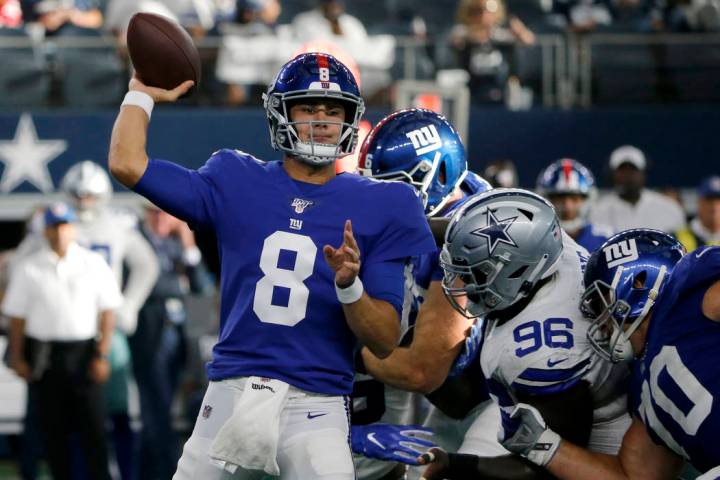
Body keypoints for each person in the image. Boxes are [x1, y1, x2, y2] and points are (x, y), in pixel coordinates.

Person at [108, 52, 437, 479]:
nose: (321, 120)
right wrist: (140, 94)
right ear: (281, 113)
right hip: (232, 393)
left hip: (316, 407)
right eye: (308, 108)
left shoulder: (383, 204)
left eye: (333, 111)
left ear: (350, 120)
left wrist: (350, 286)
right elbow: (127, 164)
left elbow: (384, 340)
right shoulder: (235, 177)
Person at [419, 189, 631, 479]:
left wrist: (455, 464)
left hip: (601, 444)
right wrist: (403, 226)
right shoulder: (547, 245)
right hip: (552, 409)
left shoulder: (544, 351)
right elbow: (479, 235)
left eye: (477, 272)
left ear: (515, 272)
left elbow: (546, 468)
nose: (464, 281)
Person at [499, 229, 720, 478]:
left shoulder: (692, 287)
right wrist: (542, 445)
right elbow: (632, 475)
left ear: (638, 282)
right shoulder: (643, 391)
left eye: (603, 303)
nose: (603, 322)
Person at [350, 108, 492, 480]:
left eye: (394, 186)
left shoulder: (475, 235)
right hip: (456, 402)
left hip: (506, 404)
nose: (382, 202)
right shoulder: (437, 216)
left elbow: (421, 370)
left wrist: (350, 350)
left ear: (441, 174)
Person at [2, 202, 123, 480]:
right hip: (47, 356)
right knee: (53, 434)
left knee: (94, 431)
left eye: (65, 225)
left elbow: (108, 310)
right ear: (45, 231)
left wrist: (102, 355)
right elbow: (17, 318)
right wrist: (18, 357)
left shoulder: (92, 263)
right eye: (54, 226)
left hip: (84, 353)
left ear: (73, 228)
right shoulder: (29, 267)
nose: (60, 232)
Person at [60, 160, 160, 480]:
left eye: (90, 195)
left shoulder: (117, 224)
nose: (85, 201)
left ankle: (125, 473)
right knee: (73, 412)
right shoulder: (55, 222)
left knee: (118, 409)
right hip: (66, 328)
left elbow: (147, 265)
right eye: (80, 195)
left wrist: (128, 304)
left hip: (108, 328)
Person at [131, 203, 214, 480]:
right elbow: (154, 285)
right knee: (156, 411)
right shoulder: (135, 242)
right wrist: (179, 285)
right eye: (153, 212)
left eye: (165, 212)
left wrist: (189, 247)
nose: (160, 218)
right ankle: (163, 472)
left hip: (184, 337)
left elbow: (202, 287)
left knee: (192, 405)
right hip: (151, 335)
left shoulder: (179, 246)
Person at [590, 145, 686, 234]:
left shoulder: (670, 208)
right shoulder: (596, 212)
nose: (627, 176)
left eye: (633, 170)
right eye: (622, 170)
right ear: (611, 175)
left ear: (644, 173)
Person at [536, 158, 612, 253]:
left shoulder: (606, 240)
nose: (568, 206)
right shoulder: (534, 240)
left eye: (574, 198)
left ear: (587, 200)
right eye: (560, 198)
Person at [675, 175, 720, 251]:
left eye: (718, 200)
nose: (714, 206)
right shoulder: (677, 239)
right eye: (709, 200)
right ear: (699, 202)